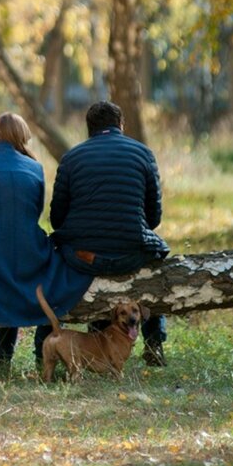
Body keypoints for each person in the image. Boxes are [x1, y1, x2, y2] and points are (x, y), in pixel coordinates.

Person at [0, 113, 94, 372]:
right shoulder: (34, 169)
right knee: (17, 282)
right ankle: (2, 359)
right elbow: (35, 212)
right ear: (22, 138)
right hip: (27, 251)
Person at [34, 101, 170, 367]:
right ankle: (154, 344)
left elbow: (57, 218)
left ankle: (43, 352)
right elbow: (153, 218)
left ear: (89, 129)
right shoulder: (144, 154)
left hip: (84, 257)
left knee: (52, 268)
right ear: (121, 125)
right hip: (130, 254)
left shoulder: (71, 158)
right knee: (157, 272)